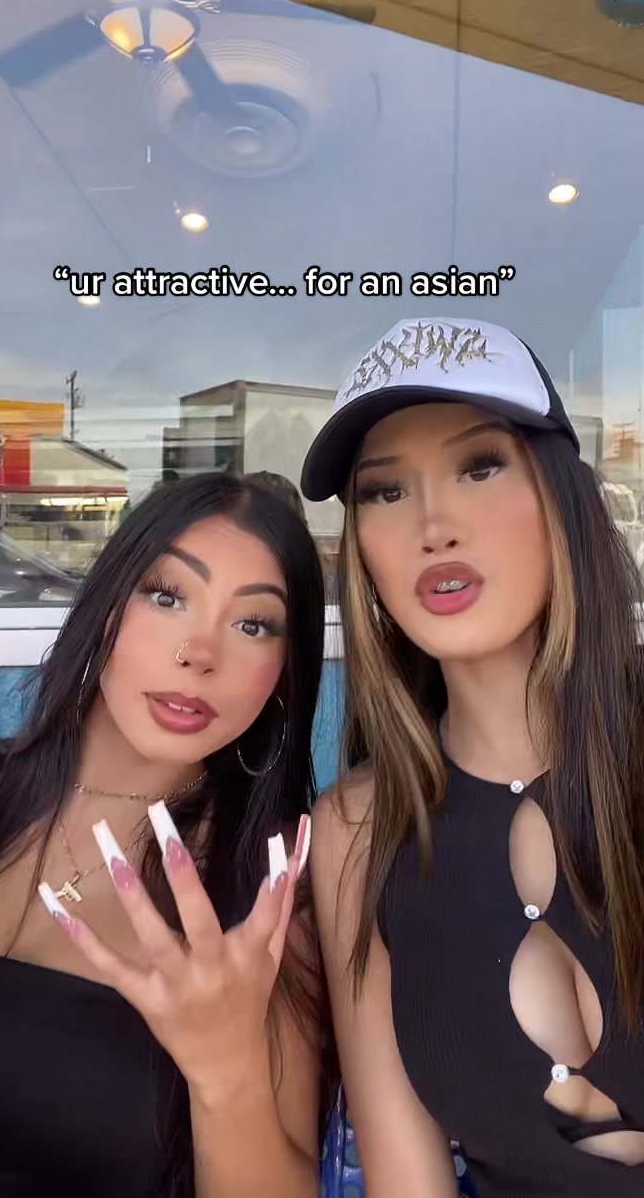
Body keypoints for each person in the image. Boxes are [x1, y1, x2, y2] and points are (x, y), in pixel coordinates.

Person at [301, 316, 644, 1196]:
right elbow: (406, 1178)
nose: (433, 525)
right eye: (384, 491)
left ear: (562, 496)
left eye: (480, 467)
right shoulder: (356, 831)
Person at [0, 472, 325, 1198]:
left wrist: (227, 1073)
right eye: (167, 596)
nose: (199, 653)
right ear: (107, 608)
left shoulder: (270, 902)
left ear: (284, 674)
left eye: (253, 624)